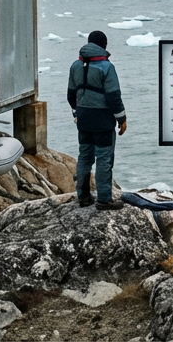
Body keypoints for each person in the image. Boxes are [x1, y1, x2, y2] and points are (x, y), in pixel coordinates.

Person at [67, 30, 127, 210]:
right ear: (104, 45)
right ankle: (104, 199)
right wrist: (121, 119)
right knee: (104, 158)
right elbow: (113, 96)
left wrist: (76, 113)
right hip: (102, 119)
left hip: (84, 118)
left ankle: (83, 197)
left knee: (85, 156)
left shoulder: (75, 65)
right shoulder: (107, 67)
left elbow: (71, 95)